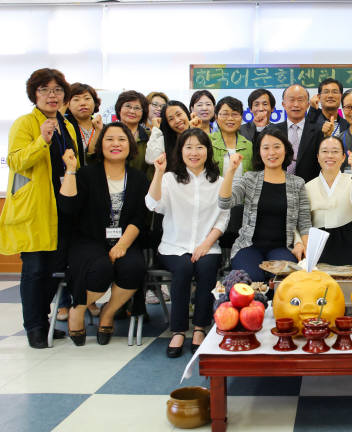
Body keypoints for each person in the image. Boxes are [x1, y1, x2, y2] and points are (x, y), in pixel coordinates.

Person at [0, 68, 79, 348]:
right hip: (35, 208)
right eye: (44, 90)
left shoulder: (66, 125)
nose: (52, 95)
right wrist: (41, 140)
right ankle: (34, 326)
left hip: (62, 207)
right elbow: (16, 161)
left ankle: (44, 321)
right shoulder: (25, 124)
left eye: (57, 90)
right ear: (34, 94)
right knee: (35, 269)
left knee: (54, 269)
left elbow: (72, 163)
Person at [58, 123, 148, 346]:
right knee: (100, 267)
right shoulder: (87, 174)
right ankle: (78, 309)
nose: (116, 144)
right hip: (89, 240)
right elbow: (68, 207)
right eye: (109, 139)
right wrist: (70, 169)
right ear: (100, 145)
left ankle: (108, 312)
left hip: (125, 240)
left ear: (130, 146)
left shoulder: (138, 178)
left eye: (122, 139)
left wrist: (123, 245)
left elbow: (140, 217)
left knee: (134, 267)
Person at [146, 128, 228, 357]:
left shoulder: (218, 181)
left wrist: (204, 245)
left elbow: (223, 218)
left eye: (199, 147)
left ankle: (200, 328)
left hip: (207, 244)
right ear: (180, 151)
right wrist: (158, 173)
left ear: (208, 151)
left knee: (207, 267)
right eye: (188, 147)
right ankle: (179, 331)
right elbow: (153, 205)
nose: (194, 152)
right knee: (182, 268)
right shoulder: (170, 179)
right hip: (173, 246)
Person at [219, 127, 311, 282]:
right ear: (259, 152)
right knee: (251, 279)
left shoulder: (298, 183)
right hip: (248, 247)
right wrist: (231, 171)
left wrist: (306, 252)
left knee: (284, 279)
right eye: (266, 148)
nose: (271, 153)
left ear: (286, 150)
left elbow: (304, 222)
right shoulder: (250, 179)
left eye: (277, 147)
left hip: (282, 248)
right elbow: (225, 202)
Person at [305, 136, 352, 265]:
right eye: (325, 151)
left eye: (335, 151)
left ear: (343, 157)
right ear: (318, 156)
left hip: (351, 239)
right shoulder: (307, 187)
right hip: (319, 243)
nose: (330, 155)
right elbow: (301, 222)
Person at [270, 84, 323, 182]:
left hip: (308, 187)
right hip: (278, 186)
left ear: (307, 105)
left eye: (300, 100)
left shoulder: (318, 131)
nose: (296, 104)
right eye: (291, 100)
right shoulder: (273, 131)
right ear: (283, 104)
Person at [145, 100, 201, 166]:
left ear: (186, 113)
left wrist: (194, 131)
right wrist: (156, 130)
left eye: (179, 114)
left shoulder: (198, 133)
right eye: (171, 119)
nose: (177, 120)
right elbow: (151, 160)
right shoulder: (164, 141)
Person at [210, 96, 254, 177]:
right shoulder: (207, 141)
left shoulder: (249, 145)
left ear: (241, 118)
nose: (230, 118)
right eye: (225, 114)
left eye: (235, 114)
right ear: (216, 117)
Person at [114, 90, 152, 178]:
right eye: (128, 106)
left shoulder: (150, 136)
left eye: (137, 108)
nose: (132, 111)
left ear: (143, 113)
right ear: (119, 109)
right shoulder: (107, 132)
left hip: (141, 185)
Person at [64, 82, 103, 167]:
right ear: (68, 105)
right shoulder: (63, 128)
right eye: (76, 99)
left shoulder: (103, 127)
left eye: (87, 98)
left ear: (95, 102)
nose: (82, 103)